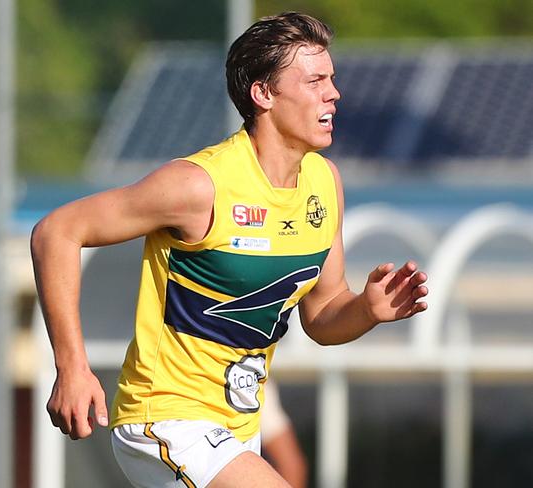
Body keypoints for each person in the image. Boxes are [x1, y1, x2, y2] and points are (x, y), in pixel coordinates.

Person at [30, 11, 429, 488]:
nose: (333, 93)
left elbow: (322, 316)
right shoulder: (199, 186)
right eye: (315, 80)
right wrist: (71, 367)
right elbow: (57, 232)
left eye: (332, 79)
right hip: (165, 418)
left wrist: (367, 308)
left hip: (238, 430)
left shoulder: (325, 184)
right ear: (263, 94)